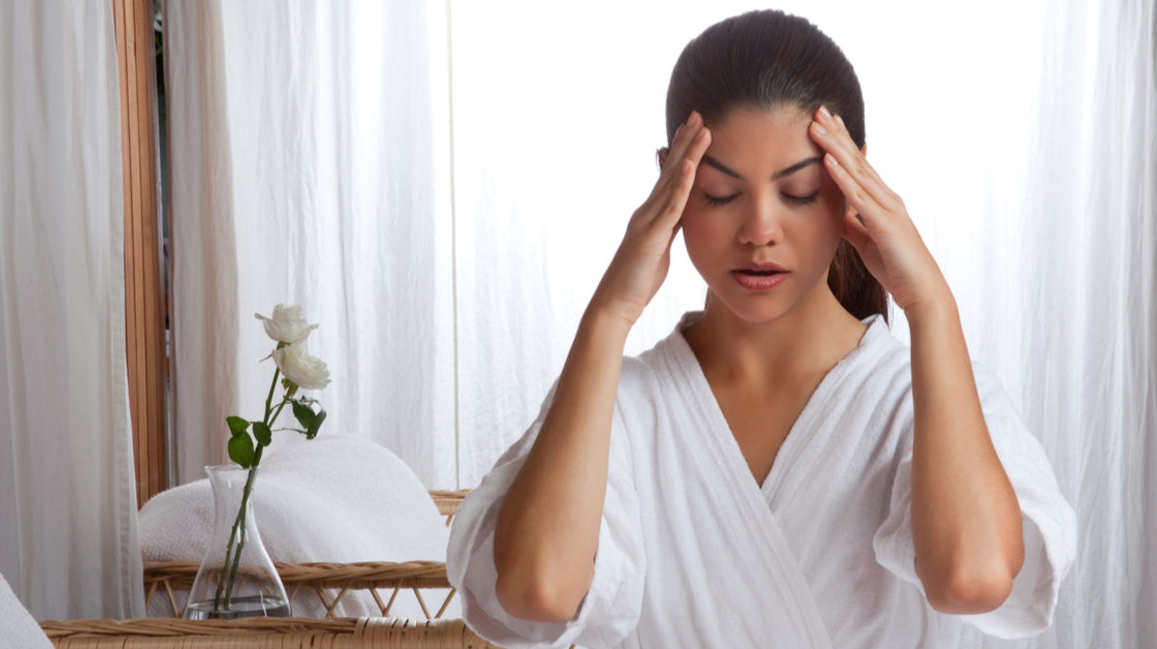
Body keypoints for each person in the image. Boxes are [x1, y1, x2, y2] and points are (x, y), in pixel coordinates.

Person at [446, 9, 1075, 648]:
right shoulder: (618, 406)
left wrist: (932, 305)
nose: (759, 231)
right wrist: (608, 315)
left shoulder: (926, 397)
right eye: (720, 193)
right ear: (671, 181)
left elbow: (972, 579)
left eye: (798, 191)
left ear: (853, 181)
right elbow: (538, 591)